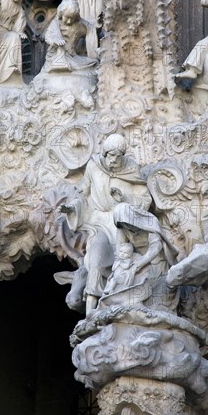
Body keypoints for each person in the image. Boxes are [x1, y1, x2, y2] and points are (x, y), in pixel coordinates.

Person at [60, 133, 153, 315]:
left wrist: (125, 198)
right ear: (104, 153)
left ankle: (117, 309)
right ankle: (90, 314)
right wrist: (72, 207)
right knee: (96, 260)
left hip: (122, 225)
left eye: (118, 157)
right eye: (111, 156)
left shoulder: (131, 170)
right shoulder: (94, 166)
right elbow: (83, 194)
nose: (114, 161)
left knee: (122, 264)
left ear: (123, 156)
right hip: (99, 223)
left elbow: (145, 199)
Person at [43, 0, 98, 73]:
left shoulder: (78, 23)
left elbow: (91, 29)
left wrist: (98, 24)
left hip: (73, 57)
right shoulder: (56, 23)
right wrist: (55, 40)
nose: (69, 21)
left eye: (72, 18)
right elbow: (48, 36)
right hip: (57, 56)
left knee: (94, 63)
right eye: (67, 17)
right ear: (61, 14)